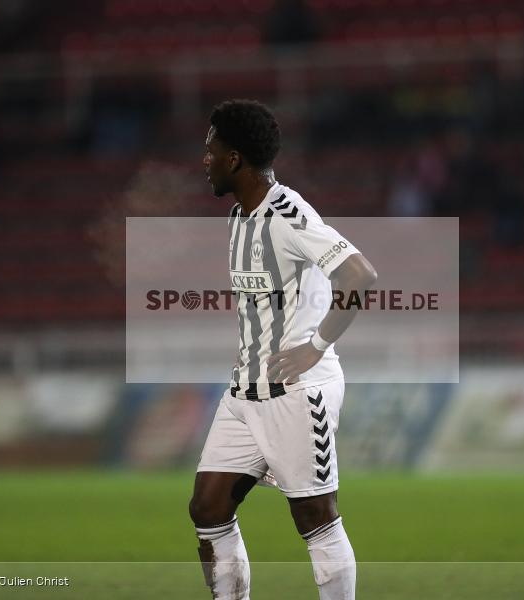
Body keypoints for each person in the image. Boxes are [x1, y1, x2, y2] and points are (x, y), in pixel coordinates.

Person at [189, 99, 377, 600]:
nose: (203, 159)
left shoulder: (289, 213)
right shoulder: (237, 216)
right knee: (208, 508)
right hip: (244, 393)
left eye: (210, 150)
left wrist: (315, 347)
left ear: (234, 160)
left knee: (314, 515)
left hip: (297, 392)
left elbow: (359, 275)